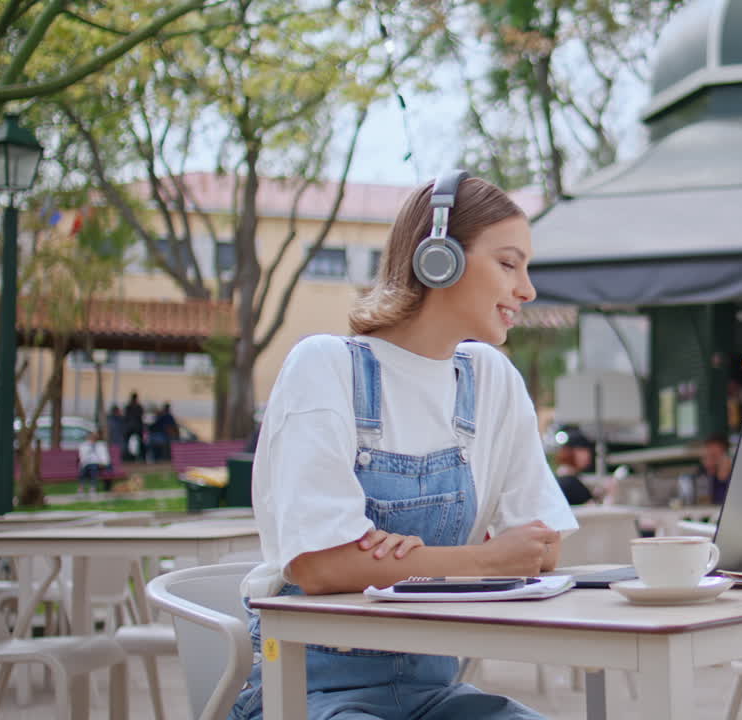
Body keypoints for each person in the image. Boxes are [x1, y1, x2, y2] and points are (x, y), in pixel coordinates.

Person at [232, 171, 577, 720]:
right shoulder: (325, 366)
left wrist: (392, 559)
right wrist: (484, 559)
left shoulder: (492, 379)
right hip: (302, 689)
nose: (527, 290)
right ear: (438, 259)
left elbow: (541, 548)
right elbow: (321, 569)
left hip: (431, 692)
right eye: (508, 264)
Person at [554, 427, 596, 505]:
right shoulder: (571, 483)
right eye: (581, 451)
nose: (587, 456)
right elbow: (595, 512)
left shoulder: (555, 479)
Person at [693, 432, 733, 504]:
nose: (708, 463)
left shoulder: (735, 478)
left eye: (714, 457)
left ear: (726, 457)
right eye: (705, 457)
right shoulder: (702, 474)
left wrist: (722, 480)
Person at [77, 431, 112, 496]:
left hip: (99, 464)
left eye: (94, 437)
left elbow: (104, 456)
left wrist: (104, 463)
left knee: (93, 467)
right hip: (87, 464)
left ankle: (92, 487)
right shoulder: (84, 445)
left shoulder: (101, 445)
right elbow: (82, 457)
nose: (93, 438)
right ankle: (82, 487)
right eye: (91, 437)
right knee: (85, 469)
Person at [123, 392, 145, 461]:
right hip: (133, 428)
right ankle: (133, 457)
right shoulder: (134, 407)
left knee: (138, 443)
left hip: (133, 428)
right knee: (134, 443)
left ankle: (137, 457)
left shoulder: (131, 407)